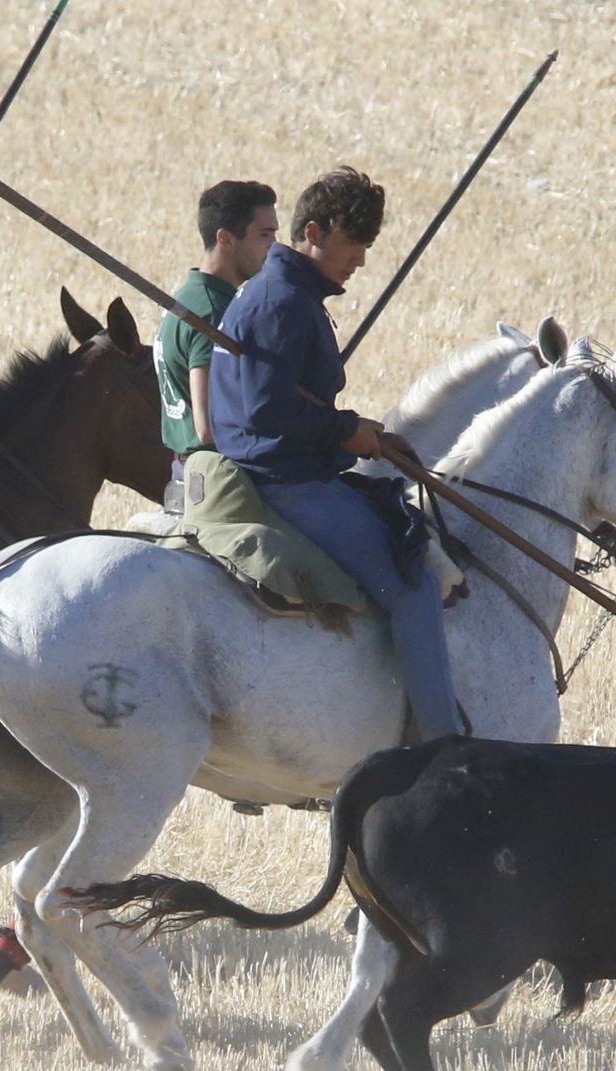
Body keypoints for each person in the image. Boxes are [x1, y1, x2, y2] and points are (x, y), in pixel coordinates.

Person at [208, 165, 464, 742]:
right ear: (315, 233)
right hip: (284, 481)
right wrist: (347, 431)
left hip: (288, 467)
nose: (362, 260)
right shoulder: (284, 304)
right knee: (414, 582)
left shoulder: (285, 295)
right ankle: (444, 742)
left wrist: (360, 429)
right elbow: (268, 412)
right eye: (355, 244)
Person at [154, 180, 276, 466]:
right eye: (264, 235)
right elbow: (209, 426)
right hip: (222, 476)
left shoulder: (187, 297)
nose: (274, 247)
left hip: (187, 467)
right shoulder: (212, 312)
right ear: (226, 239)